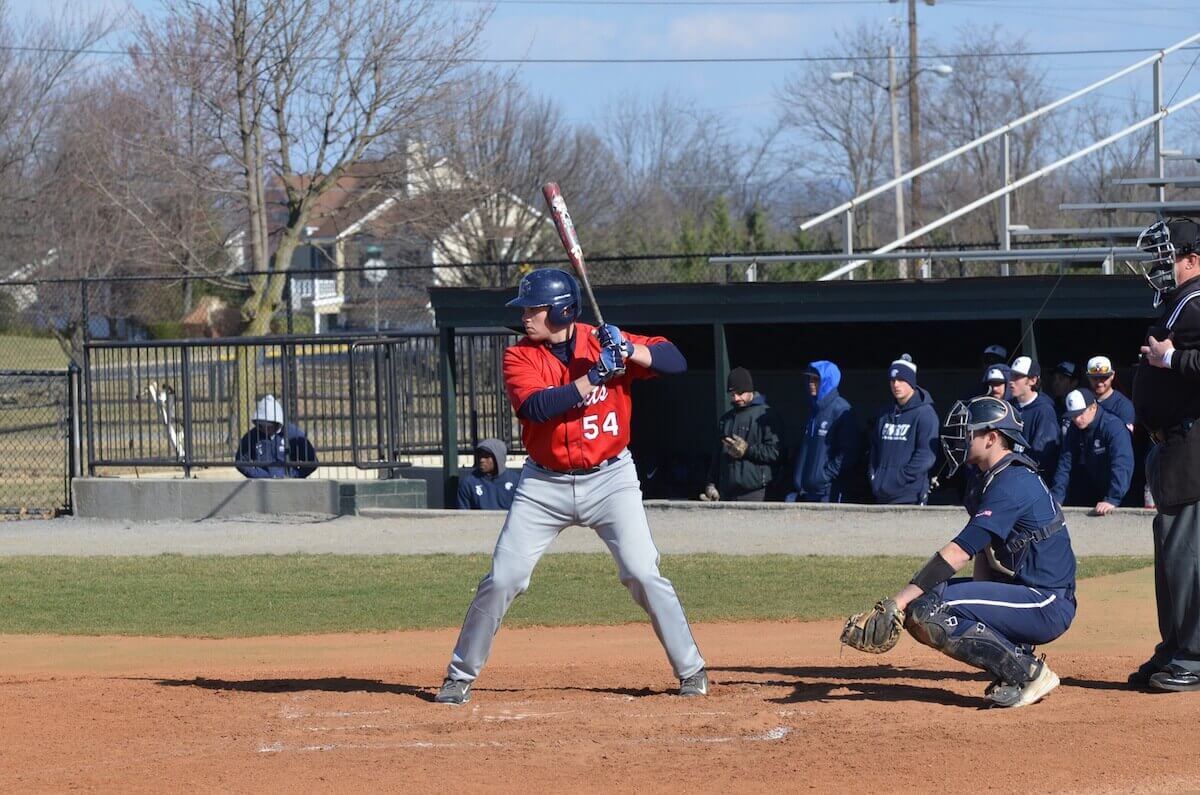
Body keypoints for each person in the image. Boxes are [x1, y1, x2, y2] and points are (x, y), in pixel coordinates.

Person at [435, 268, 706, 705]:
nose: (525, 315)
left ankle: (691, 669)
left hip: (611, 479)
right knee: (504, 577)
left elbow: (676, 361)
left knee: (642, 573)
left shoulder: (602, 340)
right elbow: (539, 406)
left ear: (562, 310)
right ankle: (459, 675)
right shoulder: (518, 356)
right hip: (544, 484)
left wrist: (630, 350)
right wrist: (595, 376)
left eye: (534, 308)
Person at [841, 397, 1075, 708]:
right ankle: (1018, 666)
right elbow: (984, 555)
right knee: (927, 601)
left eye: (969, 434)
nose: (960, 439)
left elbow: (959, 552)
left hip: (1045, 602)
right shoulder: (992, 479)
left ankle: (1028, 674)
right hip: (1029, 596)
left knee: (928, 609)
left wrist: (897, 600)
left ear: (991, 438)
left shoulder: (1012, 482)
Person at [1130, 216, 1200, 691]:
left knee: (1187, 556)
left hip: (1191, 443)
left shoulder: (1197, 300)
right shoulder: (1181, 301)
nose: (1158, 263)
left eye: (1165, 255)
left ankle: (1194, 656)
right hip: (1169, 446)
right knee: (1170, 556)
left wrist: (1170, 359)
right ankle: (1174, 648)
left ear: (1192, 258)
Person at [700, 367, 783, 502]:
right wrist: (711, 484)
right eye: (732, 394)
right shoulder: (726, 420)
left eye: (740, 393)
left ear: (750, 390)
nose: (736, 398)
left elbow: (776, 452)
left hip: (757, 492)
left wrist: (747, 450)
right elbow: (717, 456)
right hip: (727, 492)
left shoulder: (767, 415)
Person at [869, 354, 939, 505]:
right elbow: (875, 449)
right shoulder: (884, 414)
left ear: (911, 382)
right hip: (881, 494)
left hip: (909, 497)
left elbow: (926, 455)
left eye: (901, 380)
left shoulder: (925, 414)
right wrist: (874, 476)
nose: (896, 385)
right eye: (892, 380)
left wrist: (899, 478)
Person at [1050, 388, 1133, 515]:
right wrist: (1056, 497)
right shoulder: (1074, 428)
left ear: (1093, 407)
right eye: (1073, 416)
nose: (1077, 419)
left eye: (1080, 414)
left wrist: (1113, 498)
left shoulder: (1113, 427)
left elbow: (1122, 463)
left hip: (1121, 494)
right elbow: (1065, 463)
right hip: (1092, 488)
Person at [789, 360, 859, 503]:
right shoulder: (814, 410)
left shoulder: (841, 410)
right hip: (806, 491)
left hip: (827, 492)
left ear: (827, 381)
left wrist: (824, 476)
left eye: (816, 380)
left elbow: (848, 452)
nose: (811, 383)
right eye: (809, 379)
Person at [234, 394, 317, 478]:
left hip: (289, 484)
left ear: (277, 423)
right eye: (261, 424)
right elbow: (240, 461)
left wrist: (294, 476)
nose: (265, 429)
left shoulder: (293, 434)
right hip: (261, 484)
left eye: (269, 425)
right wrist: (258, 475)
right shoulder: (252, 436)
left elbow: (312, 461)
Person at [1009, 356, 1061, 476]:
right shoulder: (1009, 406)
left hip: (1031, 477)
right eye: (1011, 375)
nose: (1011, 381)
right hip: (1010, 472)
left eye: (1017, 376)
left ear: (1033, 380)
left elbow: (1041, 454)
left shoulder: (1045, 410)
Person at [456, 439, 522, 510]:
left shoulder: (516, 481)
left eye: (486, 457)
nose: (482, 460)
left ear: (498, 458)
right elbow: (463, 515)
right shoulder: (469, 483)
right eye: (480, 456)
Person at [1087, 355, 1135, 433]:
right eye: (1094, 377)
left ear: (1112, 375)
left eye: (1104, 377)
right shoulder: (1083, 402)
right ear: (1088, 377)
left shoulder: (1124, 406)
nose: (1099, 382)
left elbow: (1124, 440)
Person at [1046, 361, 1082, 438]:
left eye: (1061, 379)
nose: (1056, 383)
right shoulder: (1050, 406)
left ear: (1074, 383)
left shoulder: (1083, 410)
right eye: (1054, 378)